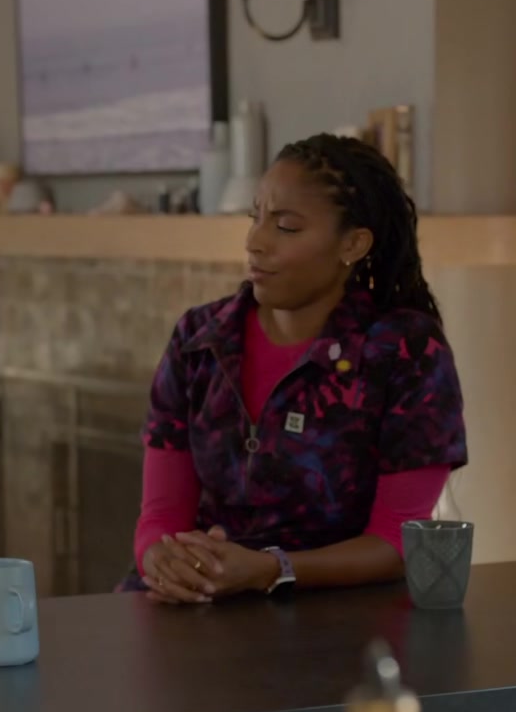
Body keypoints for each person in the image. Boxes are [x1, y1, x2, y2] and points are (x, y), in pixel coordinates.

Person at [128, 134, 468, 603]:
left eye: (286, 227)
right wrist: (164, 562)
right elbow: (160, 517)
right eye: (256, 218)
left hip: (338, 621)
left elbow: (397, 541)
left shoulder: (403, 350)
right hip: (196, 606)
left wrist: (270, 570)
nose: (255, 242)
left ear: (352, 244)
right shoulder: (199, 339)